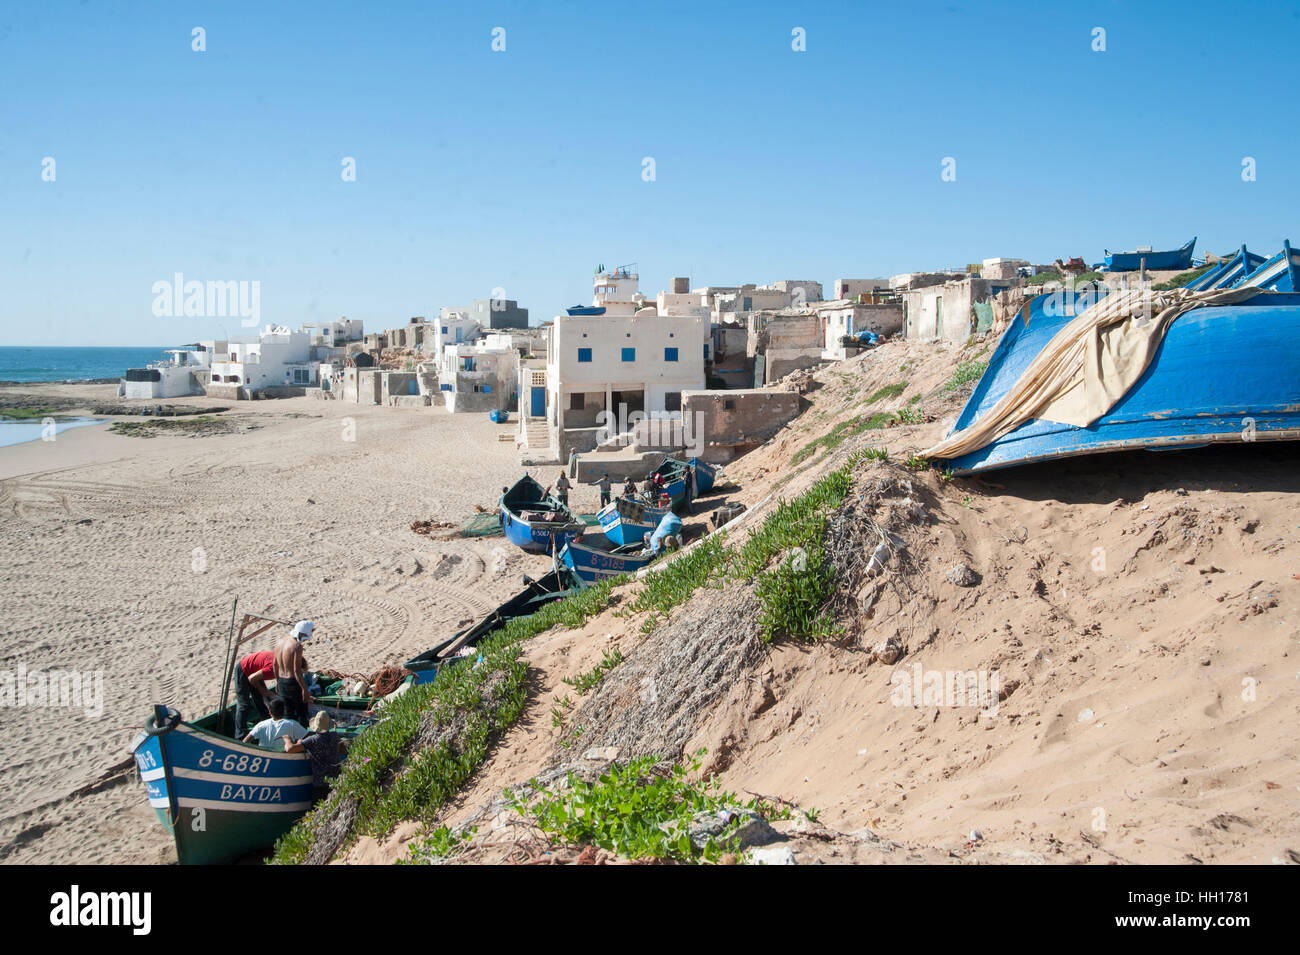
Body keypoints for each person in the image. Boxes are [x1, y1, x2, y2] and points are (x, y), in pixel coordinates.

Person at [284, 710, 349, 798]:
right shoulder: (335, 736)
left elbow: (290, 749)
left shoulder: (313, 740)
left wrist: (287, 739)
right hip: (336, 782)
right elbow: (342, 749)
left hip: (320, 784)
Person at [275, 620, 314, 726]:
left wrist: (278, 682)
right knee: (302, 713)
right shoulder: (297, 646)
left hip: (282, 680)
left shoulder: (280, 642)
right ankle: (301, 739)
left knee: (288, 714)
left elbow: (275, 665)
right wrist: (304, 690)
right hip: (292, 682)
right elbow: (297, 670)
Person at [234, 648, 276, 738]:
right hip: (244, 670)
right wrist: (263, 691)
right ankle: (240, 734)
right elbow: (252, 678)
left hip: (256, 670)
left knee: (261, 700)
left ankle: (267, 722)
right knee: (243, 704)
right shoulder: (271, 669)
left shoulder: (283, 663)